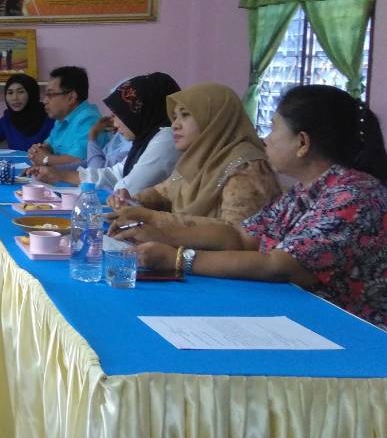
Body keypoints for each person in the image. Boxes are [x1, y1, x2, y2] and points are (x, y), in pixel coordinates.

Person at [109, 85, 387, 327]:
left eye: (274, 128)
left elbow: (280, 265)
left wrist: (178, 259)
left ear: (302, 143)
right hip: (298, 314)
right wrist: (159, 233)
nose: (266, 138)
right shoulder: (305, 191)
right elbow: (241, 236)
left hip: (350, 333)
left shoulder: (353, 195)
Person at [110, 82, 282, 228]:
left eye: (185, 115)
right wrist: (131, 201)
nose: (175, 125)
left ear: (215, 119)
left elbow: (236, 233)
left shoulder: (246, 168)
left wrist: (153, 218)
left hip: (211, 258)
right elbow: (162, 193)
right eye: (175, 117)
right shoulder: (197, 158)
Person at [34, 72, 181, 194]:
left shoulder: (166, 138)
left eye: (119, 115)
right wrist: (59, 175)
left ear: (138, 113)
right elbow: (114, 174)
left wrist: (52, 165)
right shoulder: (144, 140)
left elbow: (127, 189)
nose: (115, 124)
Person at [26, 66, 101, 171]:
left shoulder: (89, 120)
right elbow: (49, 146)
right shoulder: (62, 118)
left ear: (71, 97)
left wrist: (45, 159)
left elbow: (78, 162)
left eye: (50, 94)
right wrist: (38, 151)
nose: (44, 101)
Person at [0, 74, 53, 150]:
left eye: (21, 92)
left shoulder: (51, 116)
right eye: (10, 93)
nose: (14, 98)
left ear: (32, 93)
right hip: (16, 162)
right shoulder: (8, 119)